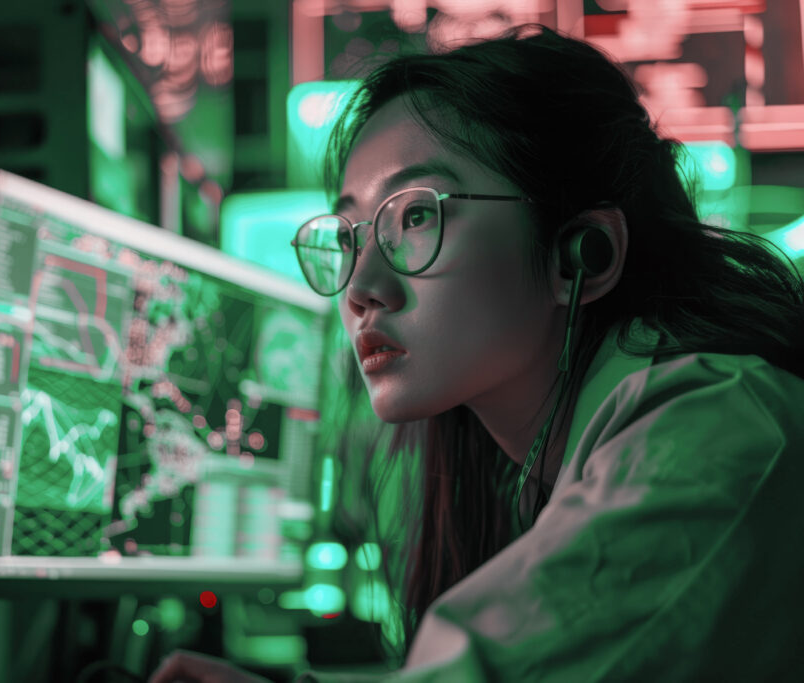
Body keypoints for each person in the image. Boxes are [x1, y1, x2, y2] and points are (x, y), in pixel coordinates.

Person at [149, 23, 804, 683]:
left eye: (416, 216)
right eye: (351, 235)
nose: (361, 289)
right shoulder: (567, 457)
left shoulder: (716, 432)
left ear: (582, 254)